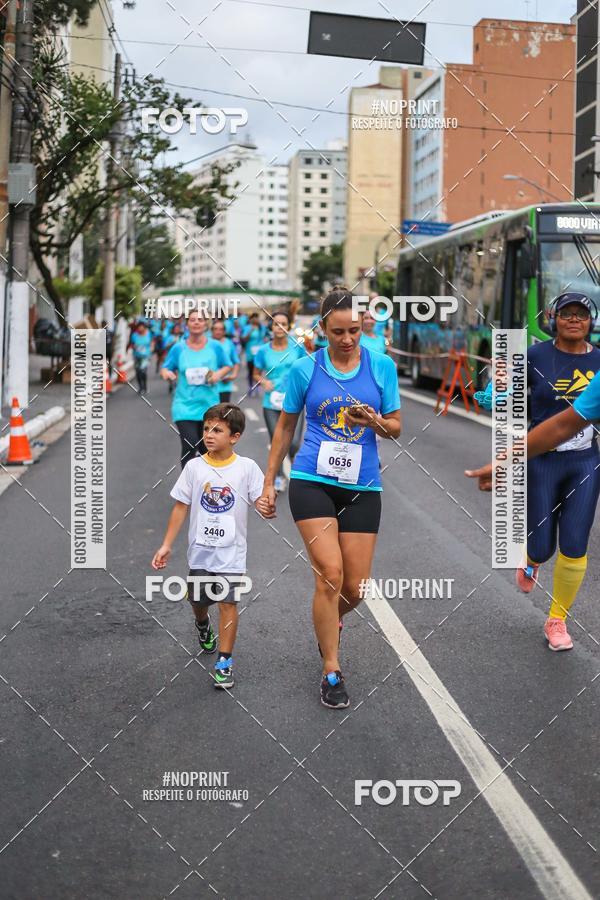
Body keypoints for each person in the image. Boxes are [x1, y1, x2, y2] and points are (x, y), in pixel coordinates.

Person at [256, 289, 401, 709]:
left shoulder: (382, 367)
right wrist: (269, 482)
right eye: (338, 331)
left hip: (362, 484)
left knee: (355, 587)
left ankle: (329, 618)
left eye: (354, 330)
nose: (348, 339)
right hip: (312, 480)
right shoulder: (304, 369)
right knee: (330, 574)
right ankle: (331, 670)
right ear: (322, 329)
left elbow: (395, 428)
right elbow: (284, 429)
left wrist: (374, 421)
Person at [465, 292, 600, 651]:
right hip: (542, 458)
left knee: (574, 543)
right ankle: (532, 559)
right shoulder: (535, 356)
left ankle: (557, 619)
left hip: (584, 461)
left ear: (591, 321)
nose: (574, 320)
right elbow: (504, 392)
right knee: (541, 545)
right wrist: (495, 391)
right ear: (553, 318)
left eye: (582, 314)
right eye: (567, 314)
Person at [151, 403, 264, 689]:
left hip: (232, 554)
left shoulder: (246, 468)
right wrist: (166, 545)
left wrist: (267, 505)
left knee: (228, 603)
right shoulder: (194, 467)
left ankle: (224, 662)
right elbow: (180, 507)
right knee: (198, 601)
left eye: (218, 430)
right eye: (206, 429)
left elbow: (260, 499)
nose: (209, 435)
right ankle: (203, 624)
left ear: (234, 436)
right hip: (200, 551)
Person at [160, 310, 231, 468]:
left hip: (209, 406)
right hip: (184, 405)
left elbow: (227, 365)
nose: (196, 322)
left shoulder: (215, 346)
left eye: (200, 319)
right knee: (190, 444)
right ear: (187, 324)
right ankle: (187, 487)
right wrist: (168, 373)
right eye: (192, 320)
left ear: (206, 324)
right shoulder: (178, 348)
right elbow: (165, 368)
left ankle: (205, 485)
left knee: (207, 448)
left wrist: (218, 375)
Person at [253, 309, 307, 493]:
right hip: (271, 403)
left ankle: (297, 473)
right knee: (276, 441)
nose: (280, 327)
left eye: (284, 324)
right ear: (271, 326)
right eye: (276, 324)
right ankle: (277, 477)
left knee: (293, 443)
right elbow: (255, 373)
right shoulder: (262, 351)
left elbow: (307, 368)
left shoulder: (297, 347)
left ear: (289, 327)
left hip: (295, 401)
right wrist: (263, 381)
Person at [211, 319, 240, 402]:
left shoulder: (229, 343)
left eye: (220, 329)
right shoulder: (207, 343)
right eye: (215, 329)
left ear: (224, 331)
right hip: (209, 386)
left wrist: (233, 375)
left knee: (223, 412)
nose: (218, 332)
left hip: (225, 385)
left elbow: (236, 361)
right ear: (212, 331)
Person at [241, 312, 267, 390]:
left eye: (257, 317)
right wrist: (250, 331)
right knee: (251, 370)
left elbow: (265, 337)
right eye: (254, 317)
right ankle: (250, 386)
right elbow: (244, 339)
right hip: (250, 352)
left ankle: (257, 386)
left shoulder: (262, 327)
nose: (255, 319)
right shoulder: (247, 328)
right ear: (251, 319)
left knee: (259, 370)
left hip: (260, 352)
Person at [129, 321, 153, 394]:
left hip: (145, 356)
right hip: (137, 356)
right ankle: (140, 387)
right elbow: (131, 344)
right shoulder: (134, 335)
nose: (140, 328)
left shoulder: (148, 334)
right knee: (138, 372)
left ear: (144, 327)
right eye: (139, 327)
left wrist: (151, 348)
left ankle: (145, 387)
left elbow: (152, 342)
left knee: (143, 372)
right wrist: (134, 347)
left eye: (141, 327)